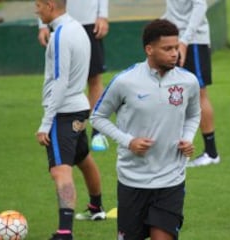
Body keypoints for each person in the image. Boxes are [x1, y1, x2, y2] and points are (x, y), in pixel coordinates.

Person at [90, 19, 201, 240]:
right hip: (133, 180)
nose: (174, 54)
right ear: (149, 49)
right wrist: (128, 141)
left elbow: (193, 114)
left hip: (171, 179)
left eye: (176, 47)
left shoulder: (188, 82)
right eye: (167, 48)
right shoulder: (125, 81)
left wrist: (187, 138)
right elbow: (97, 117)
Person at [35, 1, 107, 239]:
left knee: (60, 170)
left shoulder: (59, 36)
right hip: (79, 108)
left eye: (38, 5)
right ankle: (96, 207)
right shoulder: (77, 28)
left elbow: (60, 81)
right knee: (82, 158)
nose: (36, 11)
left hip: (63, 112)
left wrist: (47, 122)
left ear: (50, 4)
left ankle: (65, 231)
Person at [37, 0, 110, 152]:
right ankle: (73, 127)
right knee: (62, 76)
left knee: (94, 78)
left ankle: (97, 132)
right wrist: (42, 25)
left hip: (89, 20)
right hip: (59, 19)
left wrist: (102, 15)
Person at [163, 0, 220, 167]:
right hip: (176, 41)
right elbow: (174, 11)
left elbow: (200, 6)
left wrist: (185, 40)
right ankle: (179, 150)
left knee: (200, 94)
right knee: (177, 95)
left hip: (193, 42)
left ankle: (211, 153)